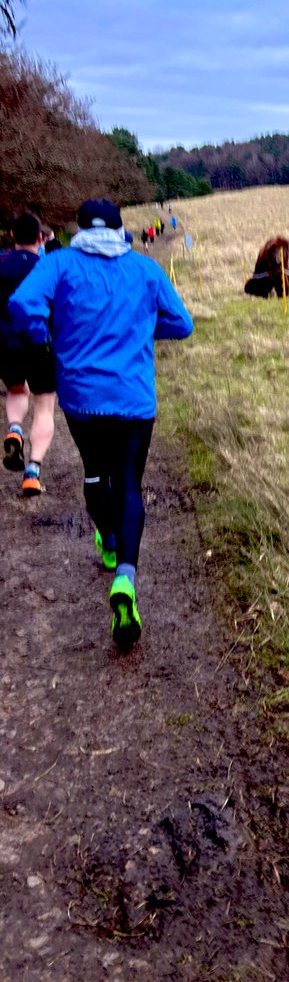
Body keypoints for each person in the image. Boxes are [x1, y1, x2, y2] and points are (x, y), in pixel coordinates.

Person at [9, 199, 193, 651]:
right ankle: (125, 578)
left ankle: (108, 541)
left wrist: (45, 336)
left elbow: (21, 303)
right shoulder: (146, 270)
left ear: (78, 231)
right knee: (130, 484)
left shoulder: (60, 263)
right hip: (134, 400)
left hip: (83, 401)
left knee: (95, 472)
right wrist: (143, 329)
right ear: (119, 229)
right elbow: (183, 324)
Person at [1, 212, 57, 497]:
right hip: (40, 345)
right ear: (40, 237)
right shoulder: (48, 267)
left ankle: (14, 429)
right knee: (45, 405)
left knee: (16, 391)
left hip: (6, 344)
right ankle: (33, 471)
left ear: (12, 236)